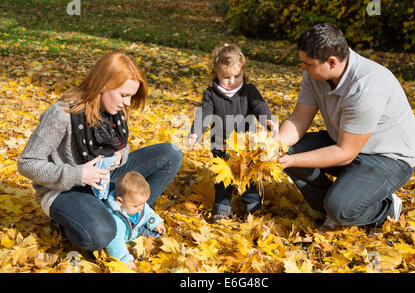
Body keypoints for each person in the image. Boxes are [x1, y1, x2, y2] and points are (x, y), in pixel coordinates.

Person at [17, 51, 182, 252]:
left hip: (104, 181)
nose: (128, 103)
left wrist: (121, 156)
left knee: (170, 155)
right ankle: (74, 222)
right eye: (124, 95)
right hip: (66, 189)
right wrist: (78, 174)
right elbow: (27, 163)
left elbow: (122, 147)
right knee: (101, 234)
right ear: (103, 85)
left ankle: (132, 218)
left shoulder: (114, 112)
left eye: (130, 96)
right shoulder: (62, 114)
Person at [276, 23, 415, 228]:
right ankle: (334, 206)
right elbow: (299, 119)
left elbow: (345, 153)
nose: (303, 68)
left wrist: (289, 160)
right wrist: (274, 145)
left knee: (341, 208)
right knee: (286, 149)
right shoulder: (315, 75)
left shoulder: (367, 86)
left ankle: (386, 208)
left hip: (388, 157)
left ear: (331, 62)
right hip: (346, 142)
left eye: (308, 63)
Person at [188, 43, 277, 223]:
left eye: (236, 76)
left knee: (249, 176)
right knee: (224, 178)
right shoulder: (212, 93)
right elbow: (204, 113)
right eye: (225, 77)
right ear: (216, 73)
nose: (231, 81)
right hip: (220, 144)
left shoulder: (248, 91)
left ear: (243, 70)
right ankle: (222, 206)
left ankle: (252, 205)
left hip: (247, 145)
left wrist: (268, 120)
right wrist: (195, 132)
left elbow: (259, 106)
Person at [105, 171, 166, 270]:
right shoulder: (115, 218)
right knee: (119, 246)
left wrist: (155, 223)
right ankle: (127, 256)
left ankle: (158, 241)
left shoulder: (137, 205)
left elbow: (147, 212)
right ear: (120, 201)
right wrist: (125, 259)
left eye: (143, 203)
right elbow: (115, 242)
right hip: (124, 239)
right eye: (136, 206)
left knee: (157, 236)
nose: (141, 208)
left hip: (136, 229)